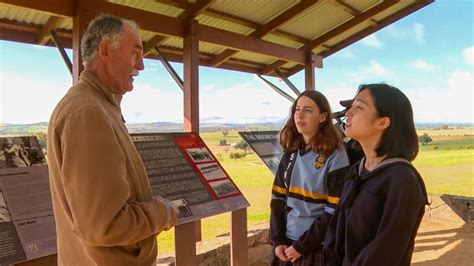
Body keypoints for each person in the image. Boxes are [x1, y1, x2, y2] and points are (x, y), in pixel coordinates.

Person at [47, 14, 179, 266]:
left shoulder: (98, 107)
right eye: (135, 53)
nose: (141, 65)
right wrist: (162, 212)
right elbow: (105, 225)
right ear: (105, 50)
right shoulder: (88, 113)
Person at [323, 83, 429, 265]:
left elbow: (386, 251)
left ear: (382, 122)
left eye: (359, 107)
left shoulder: (402, 180)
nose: (347, 113)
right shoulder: (357, 171)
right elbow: (336, 234)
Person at [270, 91, 350, 265]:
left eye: (307, 110)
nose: (299, 114)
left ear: (323, 117)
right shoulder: (291, 152)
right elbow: (278, 199)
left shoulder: (336, 156)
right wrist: (278, 240)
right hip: (286, 244)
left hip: (316, 247)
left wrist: (301, 246)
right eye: (297, 109)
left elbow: (333, 211)